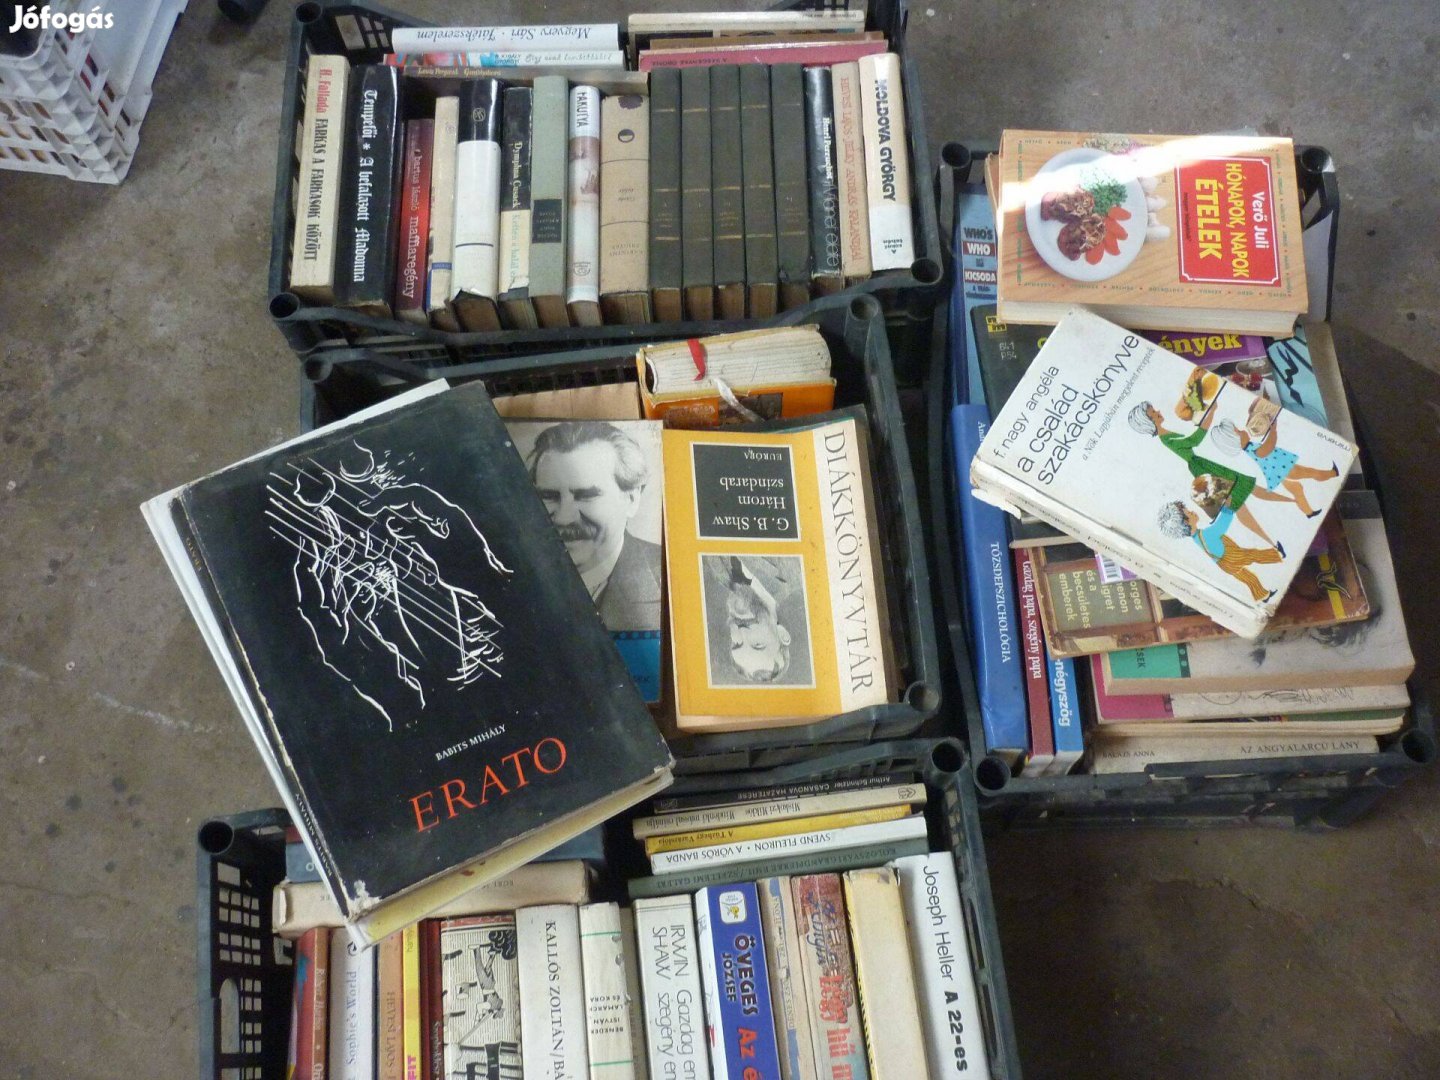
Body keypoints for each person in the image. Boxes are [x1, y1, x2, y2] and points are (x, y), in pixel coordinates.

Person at [526, 422, 661, 631]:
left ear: (632, 500)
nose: (564, 517)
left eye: (585, 496)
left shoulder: (673, 578)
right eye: (549, 496)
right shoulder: (507, 573)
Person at [1127, 400, 1289, 551]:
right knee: (1240, 503)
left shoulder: (1166, 435)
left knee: (1248, 490)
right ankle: (1273, 542)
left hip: (1204, 465)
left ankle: (1289, 507)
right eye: (1153, 413)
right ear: (1149, 422)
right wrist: (1212, 412)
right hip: (1203, 470)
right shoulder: (1167, 438)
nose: (1158, 412)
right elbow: (1195, 439)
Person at [1157, 500, 1282, 602]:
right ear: (1186, 522)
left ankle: (1262, 595)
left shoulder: (1197, 538)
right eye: (1189, 513)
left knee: (1248, 577)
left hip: (1224, 564)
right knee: (1254, 555)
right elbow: (1221, 525)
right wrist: (1227, 508)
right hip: (1231, 557)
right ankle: (1278, 555)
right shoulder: (1206, 535)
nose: (1193, 512)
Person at [712, 555, 807, 684]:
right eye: (758, 644)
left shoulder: (721, 575)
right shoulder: (796, 573)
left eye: (737, 644)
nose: (742, 631)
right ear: (783, 635)